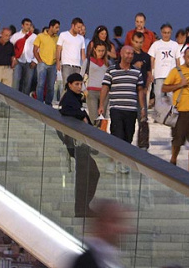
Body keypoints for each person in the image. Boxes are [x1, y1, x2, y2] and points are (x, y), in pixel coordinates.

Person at [59, 73, 99, 217]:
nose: (79, 87)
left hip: (78, 144)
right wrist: (81, 115)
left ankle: (83, 207)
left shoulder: (74, 97)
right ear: (69, 84)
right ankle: (82, 208)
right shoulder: (69, 98)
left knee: (89, 174)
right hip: (76, 144)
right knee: (90, 174)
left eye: (80, 84)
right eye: (76, 84)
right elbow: (64, 111)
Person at [162, 48, 189, 174]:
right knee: (177, 140)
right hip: (180, 111)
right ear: (184, 57)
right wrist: (179, 85)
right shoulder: (176, 71)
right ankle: (173, 159)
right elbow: (164, 88)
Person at [99, 46, 146, 145]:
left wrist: (142, 108)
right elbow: (105, 88)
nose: (130, 56)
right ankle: (116, 159)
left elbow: (140, 90)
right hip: (117, 109)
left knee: (128, 138)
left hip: (131, 110)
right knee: (117, 136)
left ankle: (124, 159)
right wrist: (101, 104)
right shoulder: (112, 70)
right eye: (127, 53)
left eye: (132, 54)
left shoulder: (137, 71)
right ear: (121, 54)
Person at [71, 198, 131, 268]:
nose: (120, 228)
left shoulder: (107, 258)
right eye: (114, 221)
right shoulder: (87, 261)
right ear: (100, 223)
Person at [148, 23, 181, 120]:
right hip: (159, 74)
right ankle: (158, 115)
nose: (166, 34)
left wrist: (179, 74)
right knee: (158, 95)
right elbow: (152, 59)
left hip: (171, 74)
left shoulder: (174, 45)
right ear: (161, 33)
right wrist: (152, 72)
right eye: (164, 32)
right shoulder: (156, 44)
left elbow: (177, 60)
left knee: (171, 95)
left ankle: (171, 114)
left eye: (168, 33)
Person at [130, 32, 152, 150]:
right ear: (132, 41)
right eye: (136, 42)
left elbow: (149, 74)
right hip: (129, 91)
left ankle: (143, 145)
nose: (138, 44)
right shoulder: (128, 55)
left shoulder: (146, 57)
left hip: (141, 91)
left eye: (140, 42)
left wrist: (146, 87)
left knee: (143, 117)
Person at [33, 19, 60, 105]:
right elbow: (35, 50)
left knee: (51, 86)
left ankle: (48, 103)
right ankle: (39, 103)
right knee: (40, 84)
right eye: (56, 27)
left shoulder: (57, 38)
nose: (57, 29)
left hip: (53, 64)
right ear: (51, 27)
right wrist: (40, 61)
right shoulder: (41, 36)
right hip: (43, 63)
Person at [80, 40, 109, 122]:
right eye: (99, 50)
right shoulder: (88, 61)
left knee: (102, 118)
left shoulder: (108, 63)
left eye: (103, 51)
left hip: (104, 92)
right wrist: (84, 90)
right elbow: (80, 76)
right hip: (91, 91)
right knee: (94, 118)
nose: (101, 53)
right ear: (94, 50)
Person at [57, 18, 86, 96]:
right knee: (66, 86)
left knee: (77, 88)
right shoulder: (63, 35)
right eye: (78, 27)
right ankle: (63, 104)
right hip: (66, 64)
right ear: (73, 26)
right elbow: (58, 49)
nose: (79, 29)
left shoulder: (81, 38)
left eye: (81, 27)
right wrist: (58, 62)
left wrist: (85, 65)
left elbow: (82, 53)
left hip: (77, 66)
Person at [10, 18, 38, 95]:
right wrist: (13, 58)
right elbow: (10, 48)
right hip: (18, 61)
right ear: (22, 25)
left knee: (27, 83)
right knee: (16, 80)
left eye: (30, 25)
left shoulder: (34, 37)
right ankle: (14, 98)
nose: (28, 26)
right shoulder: (16, 36)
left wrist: (35, 61)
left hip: (29, 62)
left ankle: (24, 102)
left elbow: (39, 50)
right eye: (26, 24)